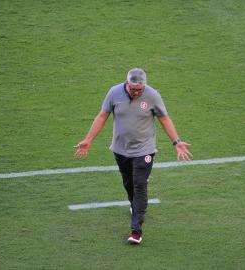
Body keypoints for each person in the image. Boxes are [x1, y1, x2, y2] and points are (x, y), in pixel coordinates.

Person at [74, 68, 192, 244]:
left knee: (139, 185)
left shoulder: (152, 95)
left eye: (140, 89)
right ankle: (135, 206)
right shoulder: (114, 92)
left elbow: (164, 119)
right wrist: (88, 140)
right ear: (126, 83)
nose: (136, 92)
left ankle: (136, 230)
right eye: (133, 89)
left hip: (144, 150)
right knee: (128, 182)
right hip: (120, 149)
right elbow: (102, 116)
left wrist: (177, 141)